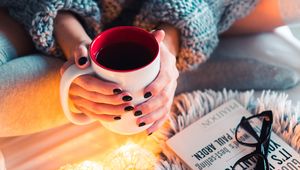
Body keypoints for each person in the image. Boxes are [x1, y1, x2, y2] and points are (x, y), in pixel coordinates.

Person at [0, 0, 298, 137]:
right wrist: (77, 48)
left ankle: (165, 75)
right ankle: (147, 87)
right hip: (53, 12)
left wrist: (166, 46)